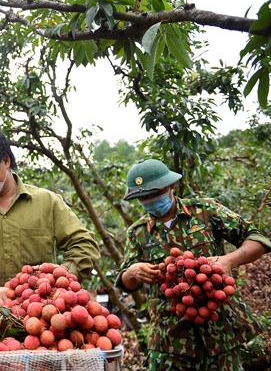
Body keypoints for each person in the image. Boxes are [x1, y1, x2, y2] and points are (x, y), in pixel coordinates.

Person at [115, 158, 270, 371]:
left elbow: (258, 238)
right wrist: (132, 272)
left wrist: (228, 260)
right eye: (143, 198)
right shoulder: (138, 233)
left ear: (171, 186)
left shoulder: (206, 211)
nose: (150, 200)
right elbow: (127, 283)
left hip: (219, 329)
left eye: (155, 194)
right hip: (169, 338)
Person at [0, 129, 100, 317]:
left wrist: (60, 278)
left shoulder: (47, 202)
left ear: (6, 161)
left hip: (43, 321)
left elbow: (83, 244)